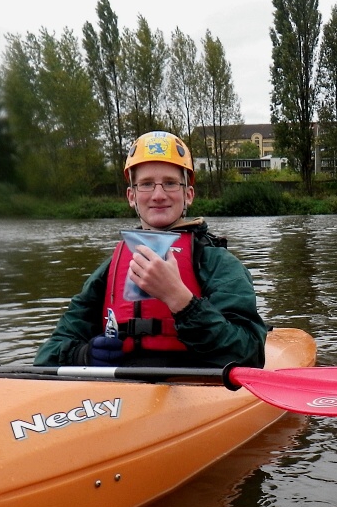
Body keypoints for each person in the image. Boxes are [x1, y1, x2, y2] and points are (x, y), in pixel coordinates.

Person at [34, 130, 267, 369]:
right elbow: (47, 355)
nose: (158, 195)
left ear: (188, 195)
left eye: (170, 183)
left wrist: (180, 300)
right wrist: (83, 355)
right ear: (131, 196)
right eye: (146, 184)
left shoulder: (217, 262)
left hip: (195, 386)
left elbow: (249, 353)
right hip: (126, 391)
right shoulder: (109, 268)